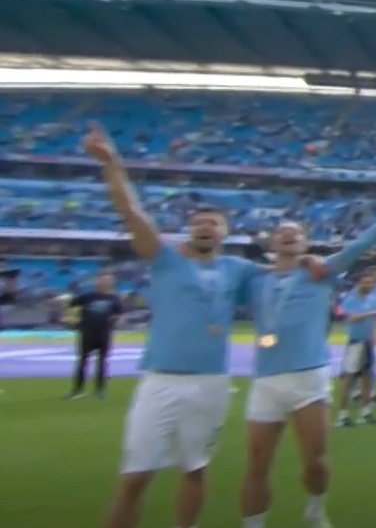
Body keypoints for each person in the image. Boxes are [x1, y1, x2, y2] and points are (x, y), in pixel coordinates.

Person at [84, 122, 259, 528]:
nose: (204, 226)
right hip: (160, 380)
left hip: (211, 382)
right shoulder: (164, 258)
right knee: (135, 476)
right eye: (198, 221)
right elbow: (131, 211)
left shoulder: (239, 268)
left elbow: (283, 277)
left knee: (195, 469)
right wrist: (112, 164)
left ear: (225, 232)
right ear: (189, 229)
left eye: (212, 222)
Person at [239, 194, 376, 528]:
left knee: (315, 463)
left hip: (308, 378)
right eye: (282, 232)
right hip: (265, 379)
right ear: (272, 242)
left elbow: (363, 243)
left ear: (305, 242)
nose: (289, 235)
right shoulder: (254, 279)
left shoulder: (322, 272)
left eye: (296, 232)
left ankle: (316, 507)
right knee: (257, 463)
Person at [334, 268, 376, 427]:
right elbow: (351, 317)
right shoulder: (351, 298)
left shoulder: (373, 298)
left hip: (368, 341)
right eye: (365, 282)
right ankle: (343, 414)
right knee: (349, 379)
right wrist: (372, 313)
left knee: (368, 377)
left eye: (370, 282)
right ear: (358, 283)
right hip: (355, 341)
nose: (369, 284)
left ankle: (365, 411)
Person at [67, 270, 124, 400]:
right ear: (96, 281)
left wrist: (117, 320)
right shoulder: (87, 297)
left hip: (104, 333)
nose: (105, 282)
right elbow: (70, 305)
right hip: (87, 333)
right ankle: (77, 390)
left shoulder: (114, 298)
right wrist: (71, 318)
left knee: (102, 362)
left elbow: (119, 314)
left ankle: (100, 390)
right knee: (82, 361)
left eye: (108, 280)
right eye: (103, 279)